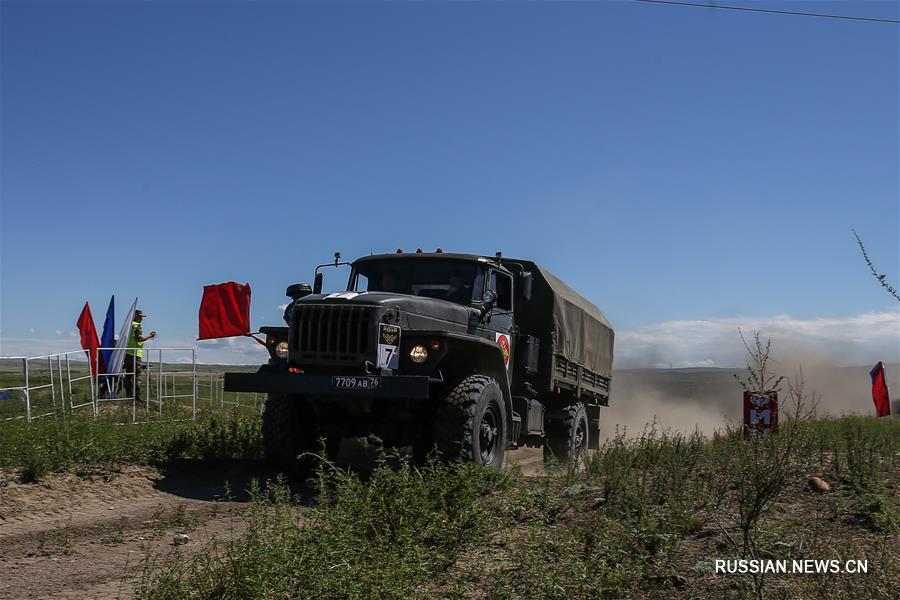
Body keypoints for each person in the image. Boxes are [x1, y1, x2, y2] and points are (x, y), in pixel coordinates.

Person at [122, 309, 156, 403]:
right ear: (136, 316)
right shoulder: (137, 325)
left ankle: (129, 395)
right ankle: (136, 397)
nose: (141, 318)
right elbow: (140, 339)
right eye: (140, 316)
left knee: (128, 375)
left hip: (127, 353)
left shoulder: (128, 325)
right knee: (137, 376)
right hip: (135, 354)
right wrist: (150, 336)